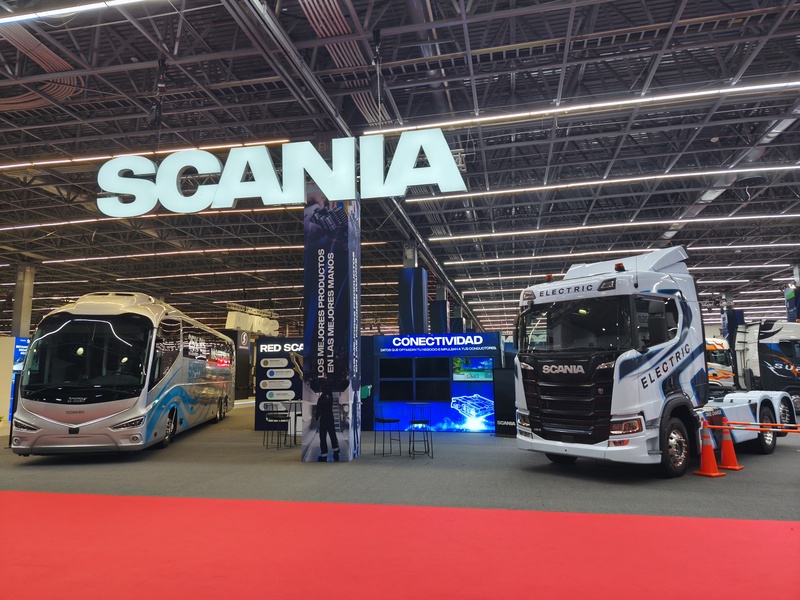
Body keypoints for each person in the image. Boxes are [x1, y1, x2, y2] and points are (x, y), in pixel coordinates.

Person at [315, 378, 340, 462]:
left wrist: (316, 416)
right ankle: (336, 451)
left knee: (323, 436)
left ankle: (324, 454)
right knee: (332, 434)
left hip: (324, 418)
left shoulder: (321, 398)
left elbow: (318, 409)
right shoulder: (330, 395)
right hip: (330, 417)